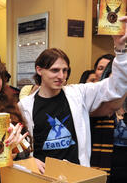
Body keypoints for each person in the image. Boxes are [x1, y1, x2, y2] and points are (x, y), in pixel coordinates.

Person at [18, 17, 127, 173]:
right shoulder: (25, 106)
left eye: (65, 70)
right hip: (43, 178)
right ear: (39, 70)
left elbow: (115, 86)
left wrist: (121, 50)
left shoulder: (78, 94)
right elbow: (19, 147)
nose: (61, 76)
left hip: (76, 174)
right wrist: (29, 160)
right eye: (55, 70)